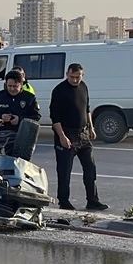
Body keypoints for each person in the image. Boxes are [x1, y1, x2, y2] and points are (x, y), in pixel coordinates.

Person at [50, 63, 108, 211]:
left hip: (83, 134)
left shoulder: (84, 87)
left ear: (83, 75)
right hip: (66, 133)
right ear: (66, 74)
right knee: (64, 171)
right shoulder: (59, 90)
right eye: (72, 77)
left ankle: (92, 199)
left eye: (78, 77)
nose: (75, 80)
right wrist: (62, 136)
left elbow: (87, 108)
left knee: (90, 168)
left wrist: (91, 127)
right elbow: (54, 117)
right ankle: (64, 201)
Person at [0, 70, 40, 153]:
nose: (12, 89)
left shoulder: (29, 98)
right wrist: (1, 116)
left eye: (15, 86)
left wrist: (20, 120)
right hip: (1, 137)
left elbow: (36, 117)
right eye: (9, 86)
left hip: (22, 137)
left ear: (21, 84)